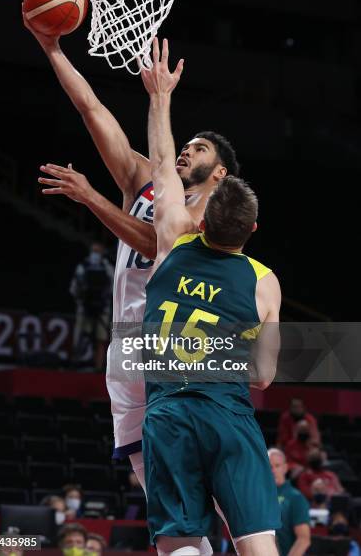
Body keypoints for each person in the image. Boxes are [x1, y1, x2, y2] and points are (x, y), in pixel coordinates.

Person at [28, 16, 239, 556]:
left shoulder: (213, 216)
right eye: (185, 145)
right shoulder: (145, 180)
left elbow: (154, 245)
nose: (188, 150)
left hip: (176, 346)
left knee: (223, 496)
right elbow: (93, 110)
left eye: (201, 149)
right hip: (126, 347)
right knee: (168, 505)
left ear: (221, 174)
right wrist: (51, 47)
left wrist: (92, 198)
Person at [139, 38, 282, 556]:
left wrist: (160, 97)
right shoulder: (264, 281)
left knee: (179, 541)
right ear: (253, 229)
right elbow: (263, 375)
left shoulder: (173, 236)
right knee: (256, 542)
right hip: (226, 412)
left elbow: (159, 162)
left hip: (168, 412)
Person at [70, 241, 114, 369]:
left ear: (102, 253)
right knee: (80, 337)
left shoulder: (107, 267)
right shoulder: (82, 266)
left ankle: (98, 368)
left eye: (98, 252)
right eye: (94, 251)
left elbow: (113, 288)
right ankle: (74, 365)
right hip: (84, 307)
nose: (96, 254)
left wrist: (103, 298)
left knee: (101, 338)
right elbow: (74, 288)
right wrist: (82, 299)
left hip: (103, 308)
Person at [268, 448, 311, 556]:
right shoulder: (258, 495)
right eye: (269, 467)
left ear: (285, 468)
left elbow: (304, 539)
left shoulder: (295, 497)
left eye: (277, 466)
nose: (273, 470)